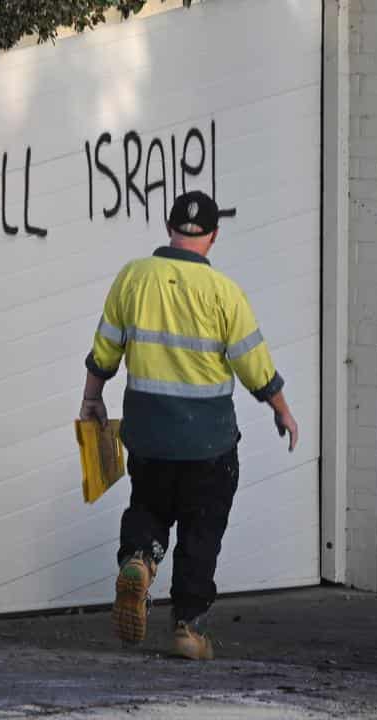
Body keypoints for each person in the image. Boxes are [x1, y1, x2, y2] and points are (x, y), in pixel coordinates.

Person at [80, 190, 298, 661]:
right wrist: (281, 407)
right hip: (208, 443)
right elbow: (253, 365)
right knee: (202, 527)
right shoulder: (224, 293)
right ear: (214, 237)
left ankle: (139, 557)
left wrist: (91, 398)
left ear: (169, 227)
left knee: (150, 504)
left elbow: (105, 352)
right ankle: (187, 627)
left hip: (150, 435)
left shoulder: (133, 278)